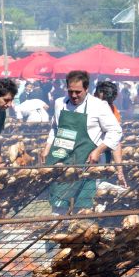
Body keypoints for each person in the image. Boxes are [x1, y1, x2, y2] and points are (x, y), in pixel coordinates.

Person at [40, 70, 122, 214]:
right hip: (62, 161)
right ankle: (58, 232)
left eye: (78, 92)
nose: (73, 96)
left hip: (86, 165)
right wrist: (47, 146)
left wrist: (99, 150)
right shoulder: (60, 103)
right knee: (58, 208)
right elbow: (55, 128)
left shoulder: (99, 106)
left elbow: (116, 131)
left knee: (83, 209)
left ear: (86, 89)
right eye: (70, 91)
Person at [93, 81, 127, 187]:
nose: (106, 105)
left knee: (97, 186)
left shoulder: (113, 110)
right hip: (82, 152)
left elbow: (115, 142)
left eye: (109, 102)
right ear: (97, 95)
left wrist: (120, 171)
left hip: (101, 155)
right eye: (105, 101)